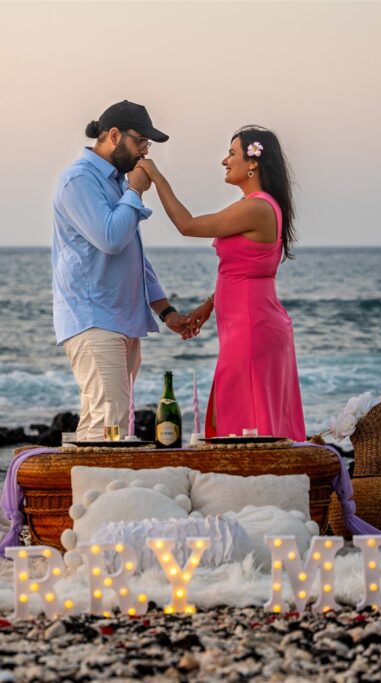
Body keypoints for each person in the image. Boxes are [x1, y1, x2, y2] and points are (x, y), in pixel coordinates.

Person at [135, 126, 306, 441]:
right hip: (248, 323)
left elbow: (187, 226)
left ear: (252, 162)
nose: (224, 161)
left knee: (246, 421)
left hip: (252, 328)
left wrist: (157, 178)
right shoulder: (257, 205)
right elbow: (247, 269)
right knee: (240, 415)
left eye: (232, 153)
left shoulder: (256, 207)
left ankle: (256, 486)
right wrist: (211, 303)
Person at [52, 100, 194, 441]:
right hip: (94, 317)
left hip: (119, 319)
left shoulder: (116, 182)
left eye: (148, 144)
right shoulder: (79, 180)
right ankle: (94, 493)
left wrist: (166, 311)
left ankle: (91, 493)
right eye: (140, 141)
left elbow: (133, 257)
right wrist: (135, 191)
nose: (145, 151)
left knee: (108, 422)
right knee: (108, 424)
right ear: (113, 135)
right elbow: (111, 239)